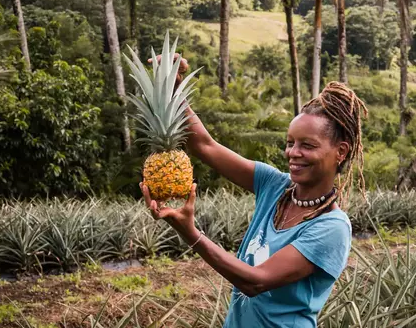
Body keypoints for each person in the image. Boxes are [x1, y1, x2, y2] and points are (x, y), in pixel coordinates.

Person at [140, 54, 367, 327]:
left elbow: (255, 281)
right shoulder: (274, 185)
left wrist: (191, 235)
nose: (293, 153)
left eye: (307, 145)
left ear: (340, 152)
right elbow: (205, 146)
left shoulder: (332, 227)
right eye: (290, 142)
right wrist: (173, 87)